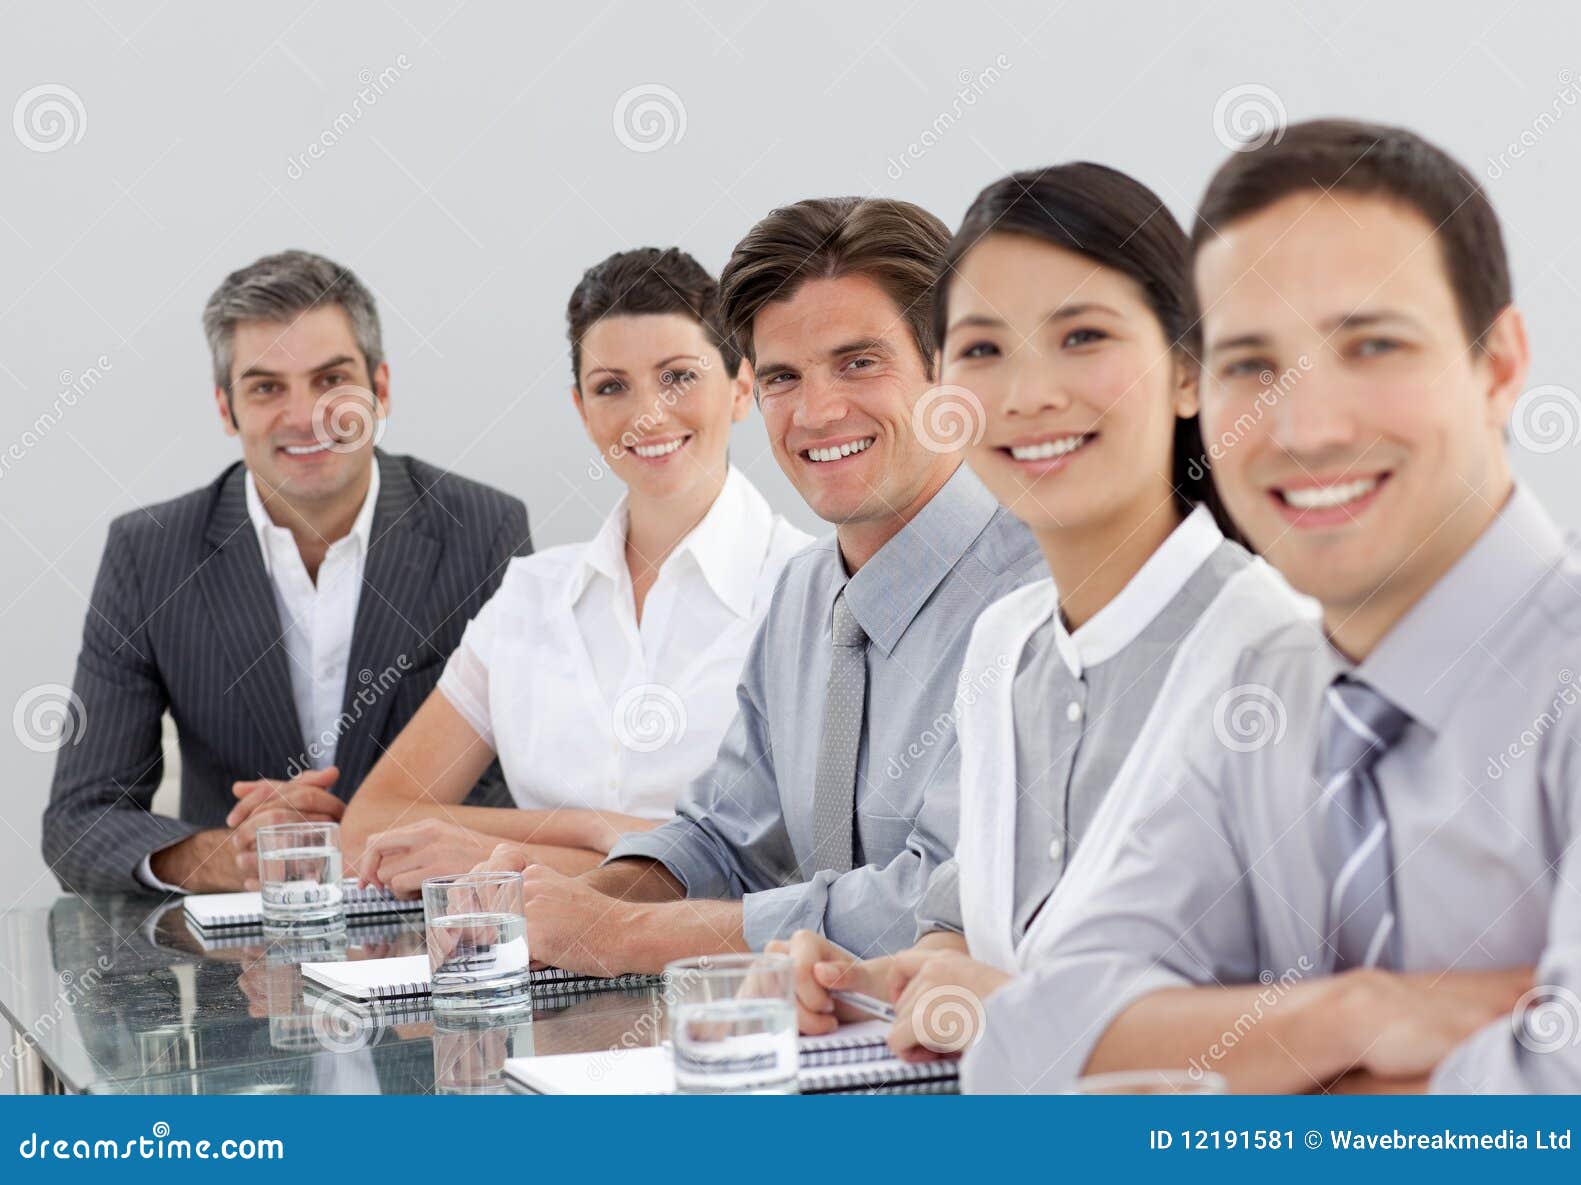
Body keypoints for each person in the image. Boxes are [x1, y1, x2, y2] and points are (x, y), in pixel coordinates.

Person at [963, 120, 1581, 1094]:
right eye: (1253, 366)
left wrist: (1235, 1076)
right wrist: (1362, 1013)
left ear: (1500, 367)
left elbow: (1564, 1107)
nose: (1306, 426)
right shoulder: (1265, 697)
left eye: (1374, 343)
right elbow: (1026, 1046)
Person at [775, 164, 1316, 1043]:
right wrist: (870, 986)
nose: (1028, 395)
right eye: (985, 350)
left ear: (1189, 371)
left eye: (1083, 336)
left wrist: (1024, 1015)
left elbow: (1345, 1040)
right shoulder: (1004, 645)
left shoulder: (1278, 660)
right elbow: (988, 957)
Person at [473, 197, 1045, 972]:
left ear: (947, 367)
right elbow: (721, 831)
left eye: (859, 361)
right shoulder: (804, 593)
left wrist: (621, 937)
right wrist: (580, 902)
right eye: (782, 376)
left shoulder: (1043, 594)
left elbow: (945, 899)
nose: (816, 411)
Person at [42, 250, 530, 894]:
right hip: (240, 964)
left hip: (437, 940)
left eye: (331, 380)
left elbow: (526, 784)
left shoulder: (483, 529)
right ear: (227, 408)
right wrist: (236, 856)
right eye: (267, 387)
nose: (305, 417)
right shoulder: (148, 555)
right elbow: (79, 820)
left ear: (380, 390)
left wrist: (366, 844)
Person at [341, 247, 813, 890]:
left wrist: (492, 853)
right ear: (582, 409)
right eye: (612, 386)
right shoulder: (530, 598)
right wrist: (593, 825)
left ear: (740, 387)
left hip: (728, 978)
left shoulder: (810, 590)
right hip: (526, 976)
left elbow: (792, 864)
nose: (646, 413)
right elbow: (370, 824)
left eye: (677, 375)